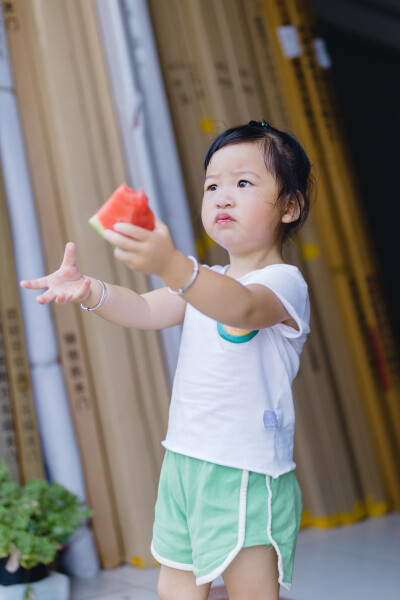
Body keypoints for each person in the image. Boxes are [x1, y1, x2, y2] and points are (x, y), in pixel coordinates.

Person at [20, 120, 313, 600]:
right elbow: (142, 309)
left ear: (290, 206)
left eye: (243, 183)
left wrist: (171, 264)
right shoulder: (203, 279)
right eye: (212, 185)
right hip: (183, 462)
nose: (221, 197)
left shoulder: (284, 283)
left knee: (252, 590)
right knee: (174, 585)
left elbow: (240, 306)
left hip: (244, 470)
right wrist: (90, 289)